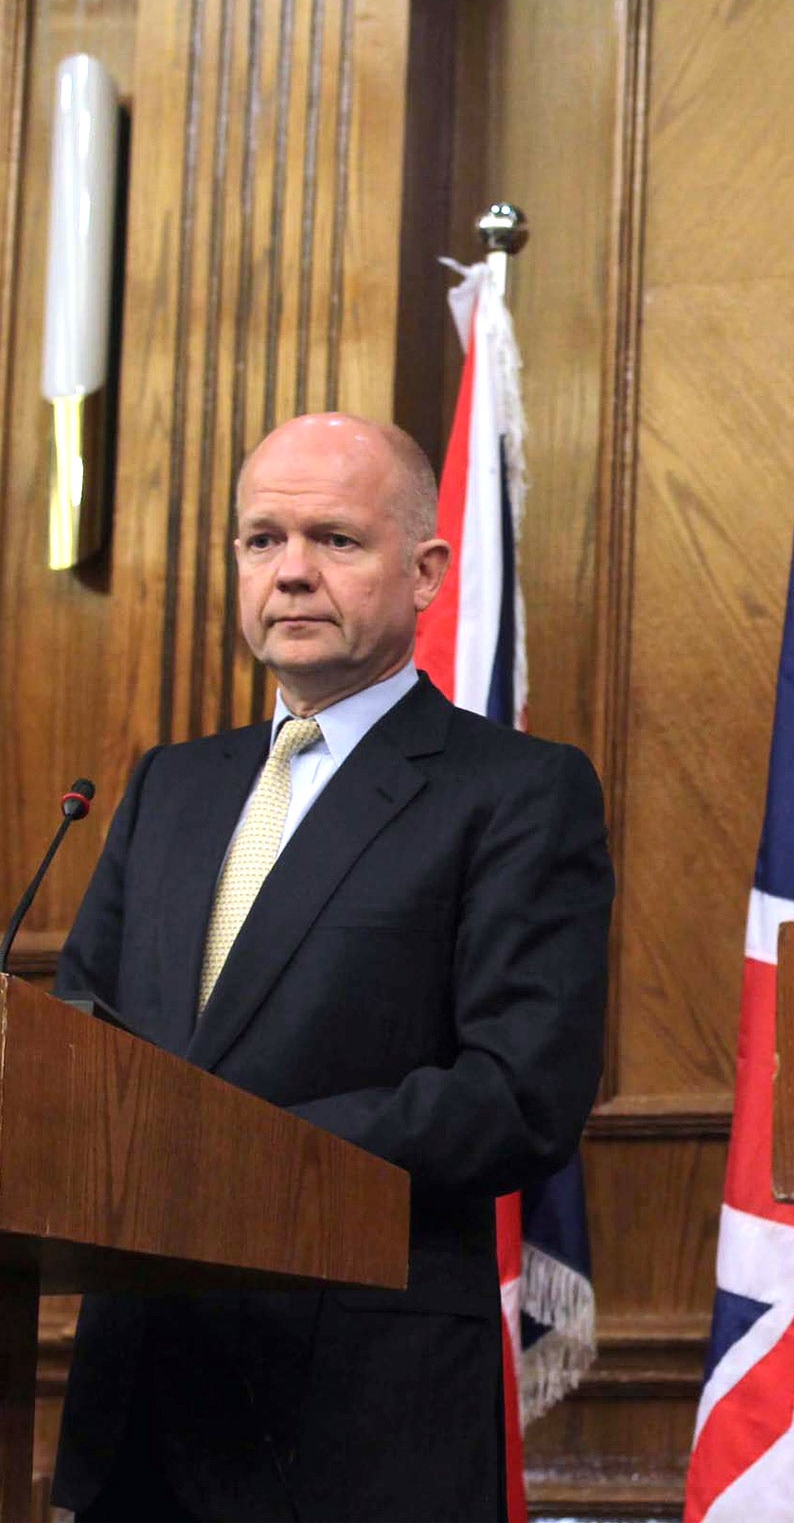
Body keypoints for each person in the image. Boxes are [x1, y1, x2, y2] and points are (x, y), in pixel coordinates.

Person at [53, 414, 612, 1521]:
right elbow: (83, 1041)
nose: (293, 571)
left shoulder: (515, 791)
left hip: (360, 1419)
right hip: (141, 1408)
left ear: (426, 573)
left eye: (336, 540)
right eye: (263, 540)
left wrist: (237, 1154)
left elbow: (519, 1095)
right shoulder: (170, 787)